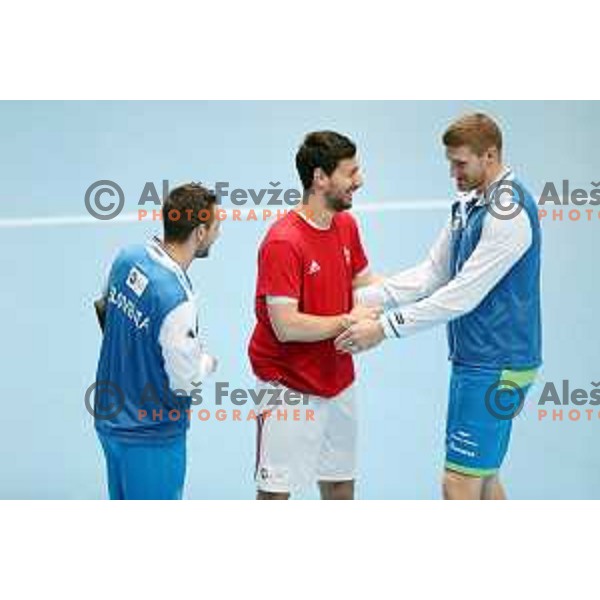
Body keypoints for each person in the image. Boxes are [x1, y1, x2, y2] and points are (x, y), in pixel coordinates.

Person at [336, 113, 542, 500]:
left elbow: (461, 294)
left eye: (461, 163)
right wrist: (349, 300)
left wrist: (384, 327)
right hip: (477, 360)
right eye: (450, 162)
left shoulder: (507, 213)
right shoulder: (468, 204)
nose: (453, 172)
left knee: (458, 482)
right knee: (483, 479)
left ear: (490, 155)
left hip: (495, 364)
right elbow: (431, 274)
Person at [248, 131, 382, 500]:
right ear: (320, 178)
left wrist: (430, 287)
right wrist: (348, 321)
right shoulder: (283, 242)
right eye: (350, 172)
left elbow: (366, 283)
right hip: (288, 385)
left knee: (340, 483)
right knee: (276, 494)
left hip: (338, 377)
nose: (360, 180)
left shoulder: (345, 225)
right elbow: (285, 325)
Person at [93, 183, 220, 500]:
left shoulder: (126, 257)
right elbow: (184, 384)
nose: (219, 234)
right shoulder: (178, 299)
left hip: (109, 419)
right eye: (217, 227)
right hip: (151, 437)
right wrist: (205, 362)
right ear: (200, 232)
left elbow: (104, 310)